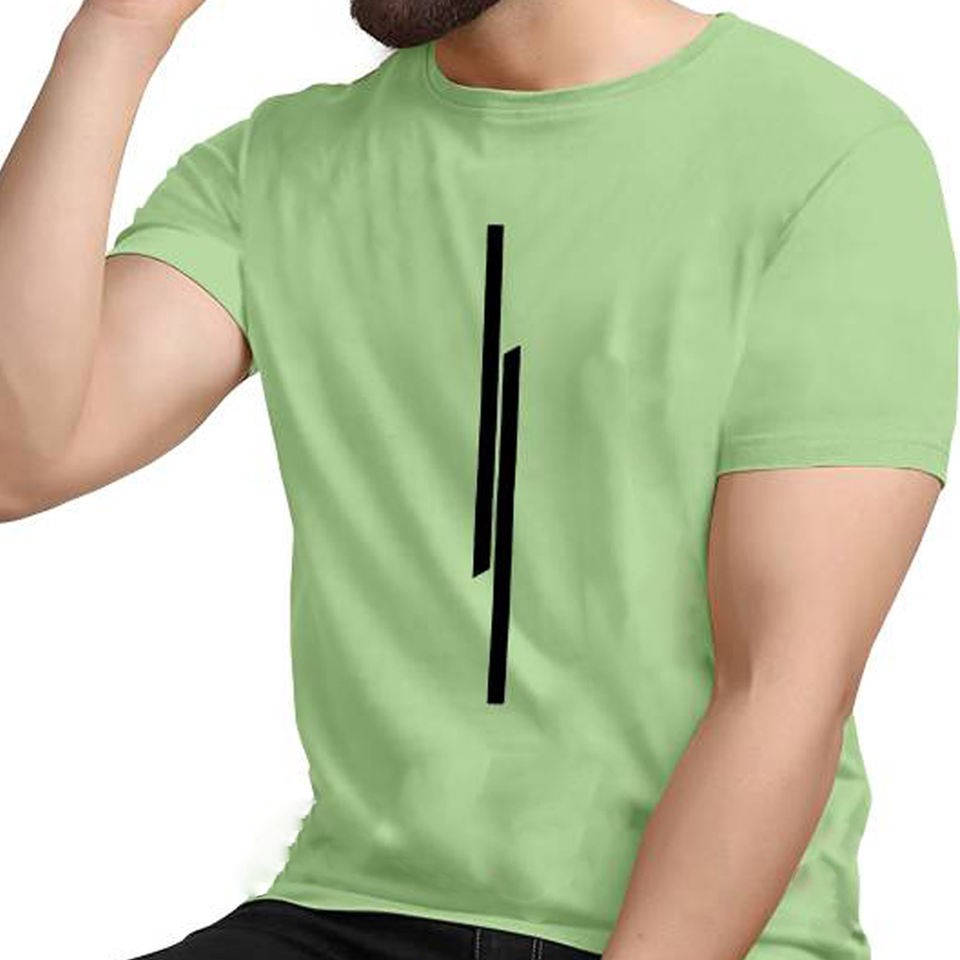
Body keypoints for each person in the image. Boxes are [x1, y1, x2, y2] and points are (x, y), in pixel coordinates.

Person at [1, 0, 957, 958]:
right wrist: (118, 28)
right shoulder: (276, 164)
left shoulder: (822, 156)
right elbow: (22, 455)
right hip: (353, 909)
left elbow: (785, 688)